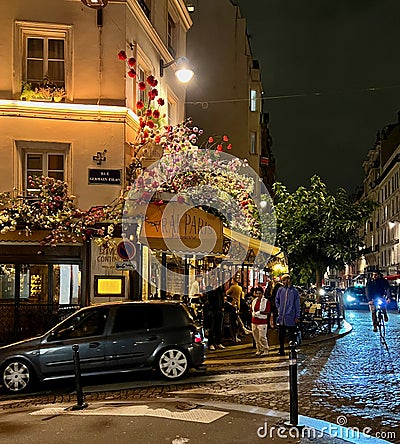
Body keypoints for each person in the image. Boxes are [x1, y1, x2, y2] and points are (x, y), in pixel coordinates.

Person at [275, 274, 300, 356]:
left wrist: (297, 316)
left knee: (291, 334)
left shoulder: (294, 291)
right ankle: (281, 349)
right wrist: (279, 309)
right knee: (281, 335)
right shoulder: (280, 290)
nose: (283, 282)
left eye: (284, 280)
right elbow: (277, 300)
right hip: (282, 316)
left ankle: (291, 350)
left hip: (291, 316)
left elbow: (297, 304)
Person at [205, 281, 225, 351]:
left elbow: (221, 298)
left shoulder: (219, 289)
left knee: (219, 327)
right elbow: (209, 299)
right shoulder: (209, 289)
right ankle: (211, 343)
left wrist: (222, 307)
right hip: (212, 310)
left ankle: (218, 342)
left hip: (219, 310)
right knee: (212, 328)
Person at [251, 286, 271, 357]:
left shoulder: (266, 301)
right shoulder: (254, 301)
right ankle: (259, 349)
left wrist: (259, 313)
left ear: (262, 294)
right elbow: (252, 309)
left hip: (262, 321)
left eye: (259, 293)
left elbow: (268, 311)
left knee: (262, 337)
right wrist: (254, 313)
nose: (258, 295)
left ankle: (266, 349)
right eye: (257, 293)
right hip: (254, 321)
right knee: (256, 337)